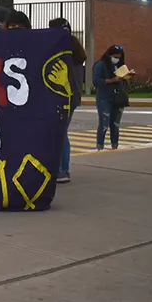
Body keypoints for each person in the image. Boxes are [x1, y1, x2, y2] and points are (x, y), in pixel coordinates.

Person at [49, 18, 87, 183]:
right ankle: (63, 168)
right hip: (72, 97)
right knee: (62, 133)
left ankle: (61, 170)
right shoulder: (75, 48)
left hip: (63, 96)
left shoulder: (63, 50)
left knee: (60, 134)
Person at [93, 45, 133, 150]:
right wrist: (113, 80)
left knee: (115, 123)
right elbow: (96, 81)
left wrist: (127, 77)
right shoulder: (100, 65)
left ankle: (115, 144)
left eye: (119, 57)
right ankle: (100, 144)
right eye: (115, 56)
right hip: (104, 97)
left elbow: (123, 80)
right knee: (104, 123)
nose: (117, 59)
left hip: (118, 97)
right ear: (109, 55)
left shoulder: (120, 65)